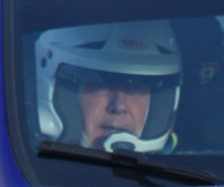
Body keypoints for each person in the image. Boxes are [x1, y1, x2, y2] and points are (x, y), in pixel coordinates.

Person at [36, 21, 184, 151]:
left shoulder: (187, 179)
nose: (118, 107)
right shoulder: (25, 176)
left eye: (135, 88)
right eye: (101, 86)